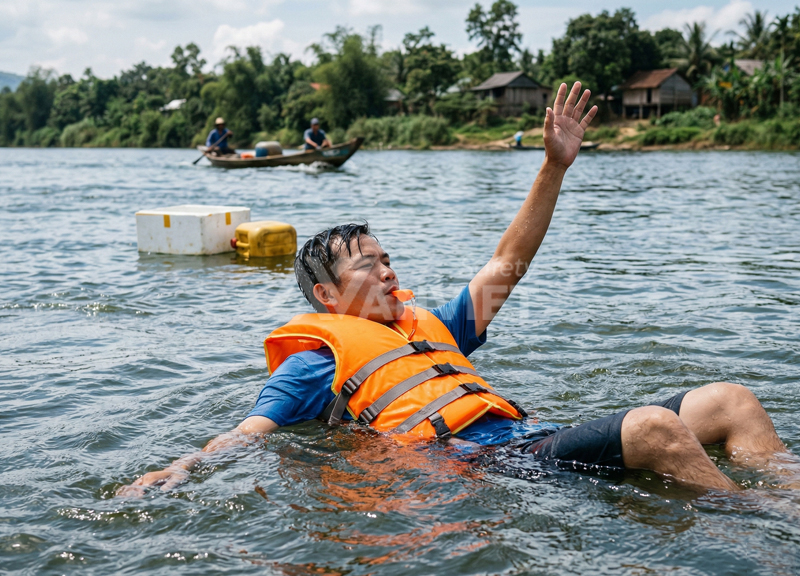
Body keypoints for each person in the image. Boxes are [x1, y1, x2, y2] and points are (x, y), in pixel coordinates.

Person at [119, 83, 789, 496]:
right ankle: (761, 535)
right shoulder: (313, 364)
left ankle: (785, 503)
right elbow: (249, 433)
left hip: (536, 437)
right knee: (654, 427)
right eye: (367, 266)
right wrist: (181, 469)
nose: (387, 271)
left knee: (731, 401)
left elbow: (507, 263)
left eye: (388, 258)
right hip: (497, 466)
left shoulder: (433, 324)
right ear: (327, 300)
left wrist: (554, 166)